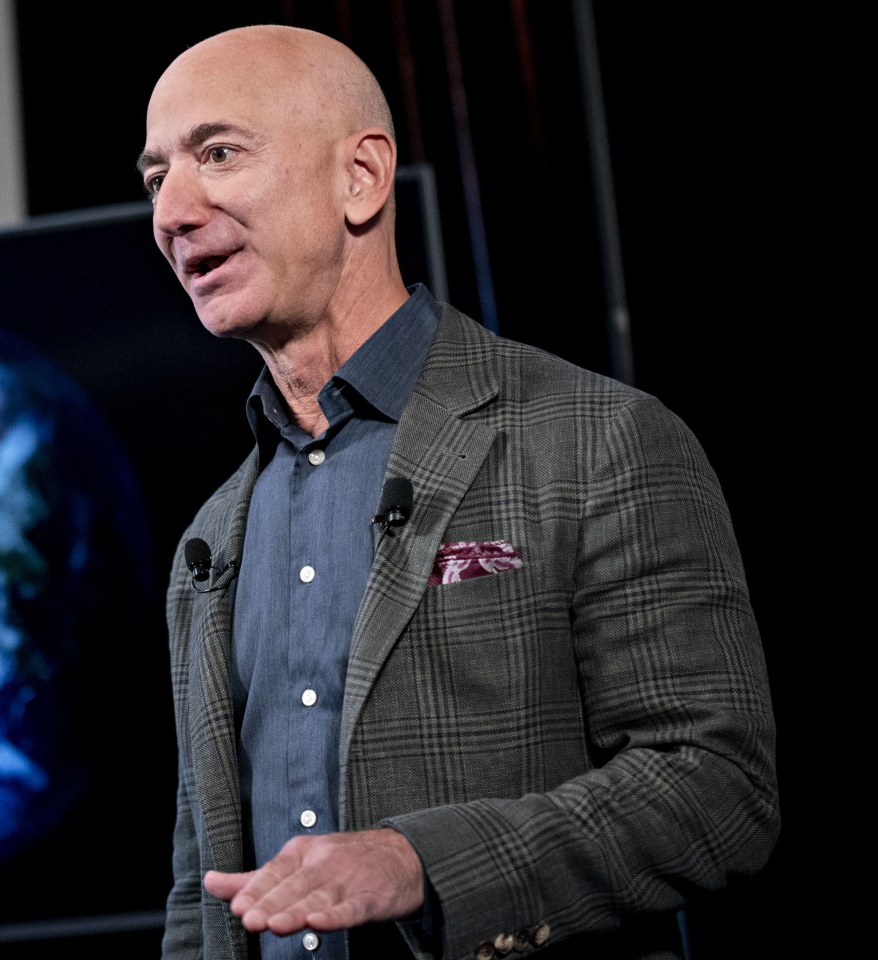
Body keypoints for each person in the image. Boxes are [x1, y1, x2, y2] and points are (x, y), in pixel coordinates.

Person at [137, 25, 778, 960]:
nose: (172, 213)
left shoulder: (594, 439)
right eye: (156, 179)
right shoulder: (212, 537)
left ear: (360, 177)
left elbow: (716, 788)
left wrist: (422, 865)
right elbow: (201, 894)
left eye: (218, 154)